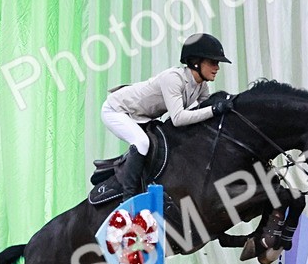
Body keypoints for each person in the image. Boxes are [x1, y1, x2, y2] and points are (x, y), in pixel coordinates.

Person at [100, 33, 235, 194]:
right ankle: (128, 197)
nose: (217, 68)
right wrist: (214, 110)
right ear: (196, 62)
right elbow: (178, 118)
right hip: (116, 110)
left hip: (142, 116)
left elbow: (203, 110)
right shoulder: (174, 79)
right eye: (213, 62)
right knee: (142, 142)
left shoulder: (200, 86)